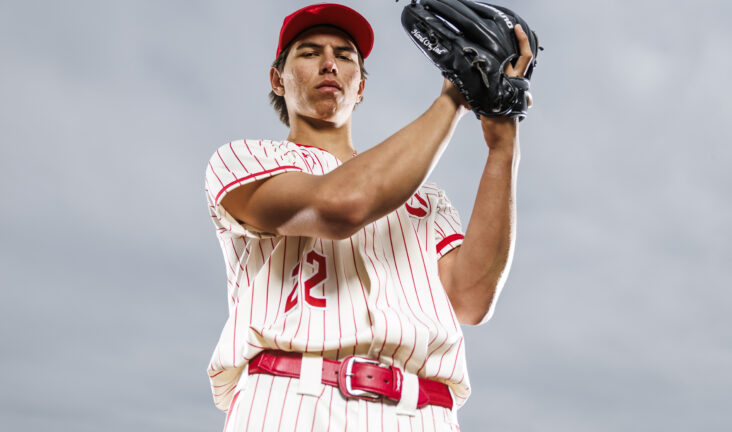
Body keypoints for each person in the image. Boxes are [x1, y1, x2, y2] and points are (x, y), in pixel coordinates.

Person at [204, 3, 533, 431]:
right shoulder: (243, 159)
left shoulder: (425, 196)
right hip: (292, 399)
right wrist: (457, 92)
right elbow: (342, 205)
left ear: (360, 86)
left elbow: (471, 300)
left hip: (422, 411)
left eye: (345, 56)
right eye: (308, 52)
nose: (329, 63)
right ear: (277, 79)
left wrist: (503, 146)